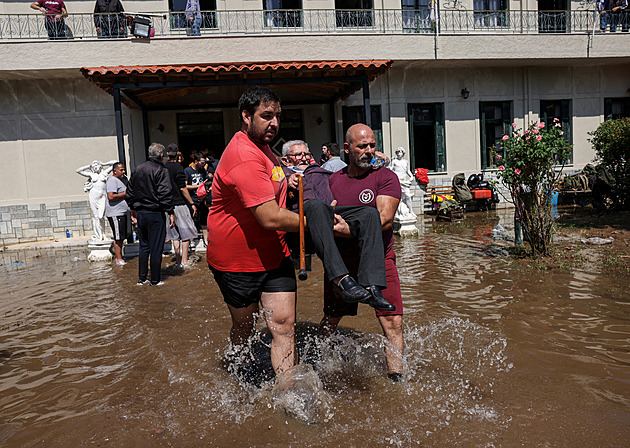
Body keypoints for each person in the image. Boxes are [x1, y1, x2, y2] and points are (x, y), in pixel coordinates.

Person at [207, 86, 302, 379]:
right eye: (266, 116)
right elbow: (270, 217)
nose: (274, 123)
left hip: (275, 254)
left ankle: (289, 390)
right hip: (237, 262)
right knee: (244, 328)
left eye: (277, 116)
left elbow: (270, 179)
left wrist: (288, 181)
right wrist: (318, 221)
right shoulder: (243, 155)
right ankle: (238, 373)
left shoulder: (264, 148)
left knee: (284, 326)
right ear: (246, 116)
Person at [319, 123, 405, 382]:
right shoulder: (332, 181)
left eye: (372, 146)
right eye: (362, 146)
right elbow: (322, 222)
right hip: (342, 266)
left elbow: (384, 220)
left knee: (393, 322)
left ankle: (396, 376)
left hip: (380, 259)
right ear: (347, 149)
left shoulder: (385, 178)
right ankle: (318, 364)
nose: (369, 151)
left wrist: (345, 229)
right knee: (331, 319)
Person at [281, 140, 395, 311]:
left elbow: (357, 164)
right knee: (315, 205)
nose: (304, 158)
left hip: (328, 213)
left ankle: (372, 286)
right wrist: (285, 182)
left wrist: (379, 161)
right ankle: (341, 280)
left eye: (307, 154)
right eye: (298, 155)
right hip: (301, 222)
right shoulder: (281, 173)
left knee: (370, 214)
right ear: (285, 160)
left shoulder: (322, 171)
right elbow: (269, 187)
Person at [126, 143, 175, 286]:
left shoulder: (137, 169)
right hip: (155, 213)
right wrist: (170, 212)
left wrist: (133, 208)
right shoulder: (161, 170)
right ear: (161, 156)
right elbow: (165, 193)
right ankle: (155, 280)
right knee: (156, 247)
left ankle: (142, 279)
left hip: (141, 213)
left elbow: (130, 192)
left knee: (144, 246)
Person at [164, 144, 199, 267]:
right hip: (179, 204)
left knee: (175, 235)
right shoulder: (179, 168)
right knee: (186, 233)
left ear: (167, 154)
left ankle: (178, 260)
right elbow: (183, 188)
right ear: (177, 153)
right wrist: (192, 203)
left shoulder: (163, 167)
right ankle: (184, 261)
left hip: (167, 206)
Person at [76, 159, 118, 241]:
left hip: (102, 196)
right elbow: (78, 170)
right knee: (96, 217)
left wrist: (104, 163)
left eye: (97, 165)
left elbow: (115, 163)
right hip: (93, 196)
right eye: (93, 166)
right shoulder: (91, 175)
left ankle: (103, 234)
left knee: (101, 216)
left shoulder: (104, 173)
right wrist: (89, 166)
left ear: (100, 166)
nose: (95, 167)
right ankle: (99, 236)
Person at [106, 162, 132, 265]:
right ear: (115, 171)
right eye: (121, 170)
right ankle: (119, 259)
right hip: (115, 213)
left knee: (122, 236)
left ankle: (119, 255)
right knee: (118, 237)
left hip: (122, 213)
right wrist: (125, 194)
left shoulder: (121, 181)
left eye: (124, 170)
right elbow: (111, 197)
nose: (123, 172)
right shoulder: (112, 181)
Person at [185, 153, 209, 247]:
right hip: (192, 199)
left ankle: (205, 240)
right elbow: (185, 186)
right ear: (196, 161)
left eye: (204, 163)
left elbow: (207, 180)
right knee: (192, 220)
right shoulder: (187, 171)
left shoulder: (203, 170)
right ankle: (192, 241)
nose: (203, 164)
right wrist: (198, 186)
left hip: (202, 199)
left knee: (204, 220)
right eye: (202, 162)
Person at [388, 147, 416, 218]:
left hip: (404, 181)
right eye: (398, 152)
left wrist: (411, 176)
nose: (399, 153)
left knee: (408, 196)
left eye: (400, 152)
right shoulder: (394, 161)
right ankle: (396, 213)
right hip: (397, 181)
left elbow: (408, 171)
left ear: (403, 153)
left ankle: (411, 211)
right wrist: (390, 162)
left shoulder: (406, 162)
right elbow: (391, 170)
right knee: (398, 198)